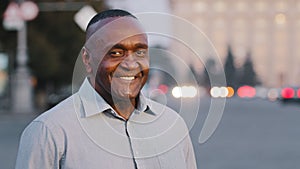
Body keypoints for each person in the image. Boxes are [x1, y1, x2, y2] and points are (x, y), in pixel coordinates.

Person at [15, 9, 197, 169]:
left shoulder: (174, 126)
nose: (131, 64)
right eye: (116, 53)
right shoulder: (50, 132)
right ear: (87, 60)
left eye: (140, 52)